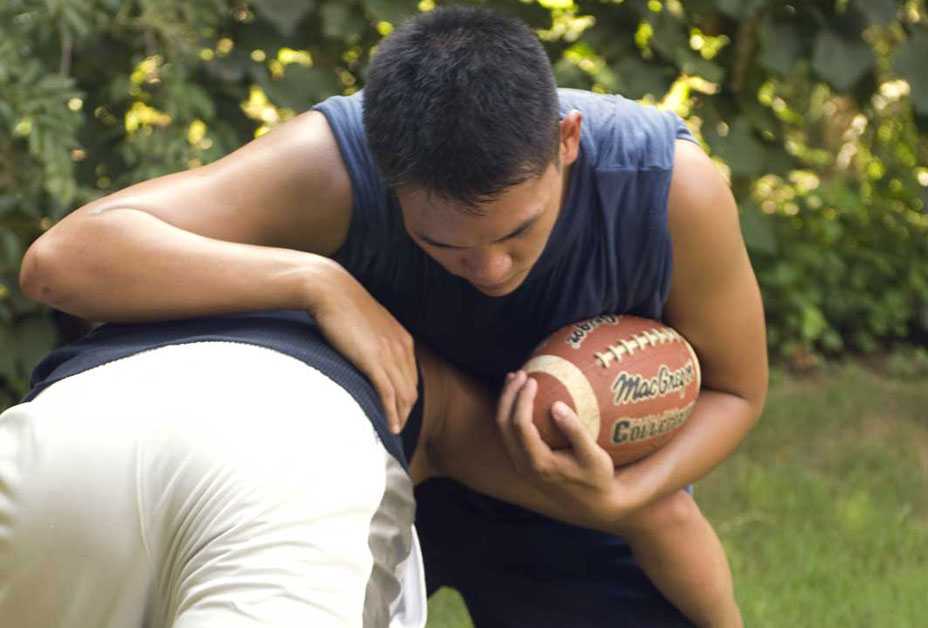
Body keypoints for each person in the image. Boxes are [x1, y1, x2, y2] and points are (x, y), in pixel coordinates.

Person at [19, 6, 768, 627]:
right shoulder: (333, 164)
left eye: (517, 232)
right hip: (385, 456)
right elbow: (63, 260)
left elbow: (736, 390)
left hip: (572, 482)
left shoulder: (669, 189)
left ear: (565, 140)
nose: (491, 269)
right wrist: (315, 280)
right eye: (445, 244)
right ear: (385, 175)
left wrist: (621, 497)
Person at [1, 310, 731, 628]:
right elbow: (660, 511)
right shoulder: (455, 408)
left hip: (74, 426)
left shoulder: (248, 267)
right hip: (294, 462)